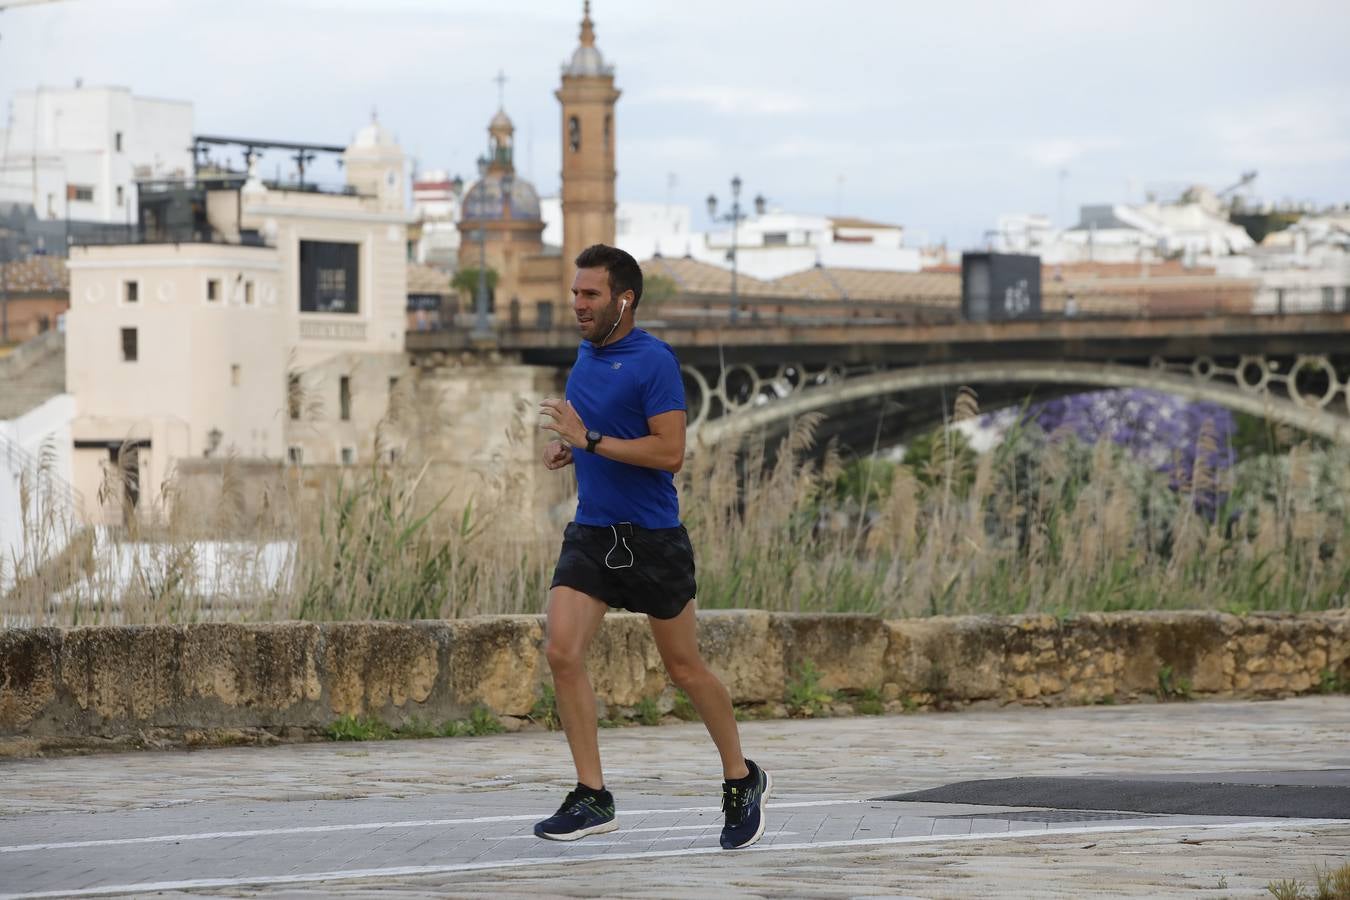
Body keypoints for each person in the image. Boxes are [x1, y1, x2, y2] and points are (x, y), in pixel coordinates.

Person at [534, 243, 771, 851]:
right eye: (575, 293)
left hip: (653, 540)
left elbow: (669, 453)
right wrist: (573, 450)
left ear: (624, 299)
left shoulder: (654, 361)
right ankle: (593, 795)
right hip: (593, 533)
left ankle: (741, 777)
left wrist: (590, 437)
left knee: (685, 668)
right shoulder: (586, 355)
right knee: (562, 652)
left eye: (590, 294)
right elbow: (600, 437)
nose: (578, 304)